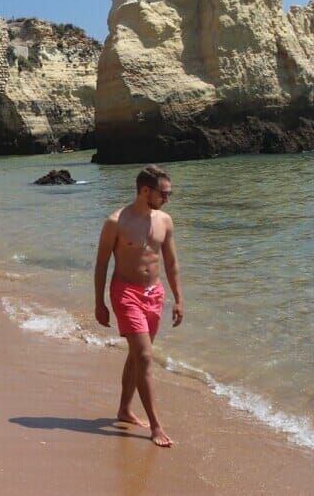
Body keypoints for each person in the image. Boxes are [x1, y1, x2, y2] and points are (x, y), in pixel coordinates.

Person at [94, 164, 185, 448]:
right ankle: (156, 425)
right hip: (125, 292)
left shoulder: (165, 221)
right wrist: (99, 303)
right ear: (145, 190)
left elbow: (170, 263)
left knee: (136, 356)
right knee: (145, 356)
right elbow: (101, 265)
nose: (167, 199)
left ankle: (124, 409)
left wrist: (179, 299)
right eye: (164, 193)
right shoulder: (116, 222)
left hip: (154, 294)